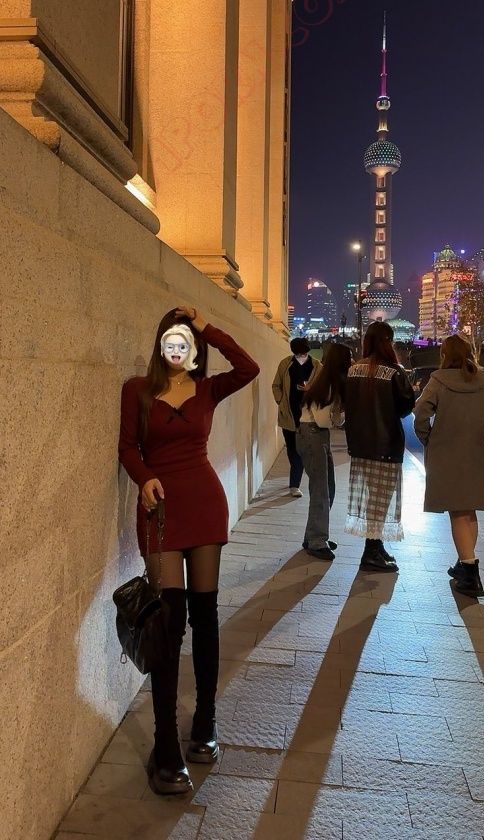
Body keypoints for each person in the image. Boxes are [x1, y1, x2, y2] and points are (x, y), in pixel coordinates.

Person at [118, 307, 259, 795]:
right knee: (167, 621)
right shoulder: (137, 390)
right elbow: (128, 448)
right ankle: (165, 744)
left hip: (203, 505)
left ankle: (204, 722)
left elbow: (249, 367)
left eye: (186, 340)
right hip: (160, 510)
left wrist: (206, 326)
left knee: (205, 615)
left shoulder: (207, 388)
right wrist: (144, 478)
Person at [414, 335, 484, 598]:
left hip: (447, 454)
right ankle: (465, 563)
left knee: (458, 513)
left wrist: (428, 438)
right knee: (469, 512)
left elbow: (421, 412)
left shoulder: (438, 381)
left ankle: (470, 573)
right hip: (481, 453)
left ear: (444, 355)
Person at [344, 321, 416, 573]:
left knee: (372, 497)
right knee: (380, 498)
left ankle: (376, 545)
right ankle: (371, 551)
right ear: (388, 342)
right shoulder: (394, 372)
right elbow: (406, 406)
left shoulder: (354, 369)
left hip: (360, 444)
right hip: (386, 443)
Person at [296, 344, 353, 560]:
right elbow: (322, 420)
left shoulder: (326, 381)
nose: (352, 362)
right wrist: (339, 416)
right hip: (313, 434)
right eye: (349, 358)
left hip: (315, 435)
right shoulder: (327, 384)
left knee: (328, 486)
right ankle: (317, 541)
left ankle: (313, 536)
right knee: (321, 489)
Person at [272, 338, 321, 496]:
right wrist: (280, 400)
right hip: (289, 413)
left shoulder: (317, 365)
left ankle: (299, 482)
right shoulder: (286, 364)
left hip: (309, 415)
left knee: (305, 451)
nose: (301, 356)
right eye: (298, 353)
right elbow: (276, 385)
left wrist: (310, 389)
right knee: (293, 450)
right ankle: (294, 485)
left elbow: (323, 387)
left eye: (303, 353)